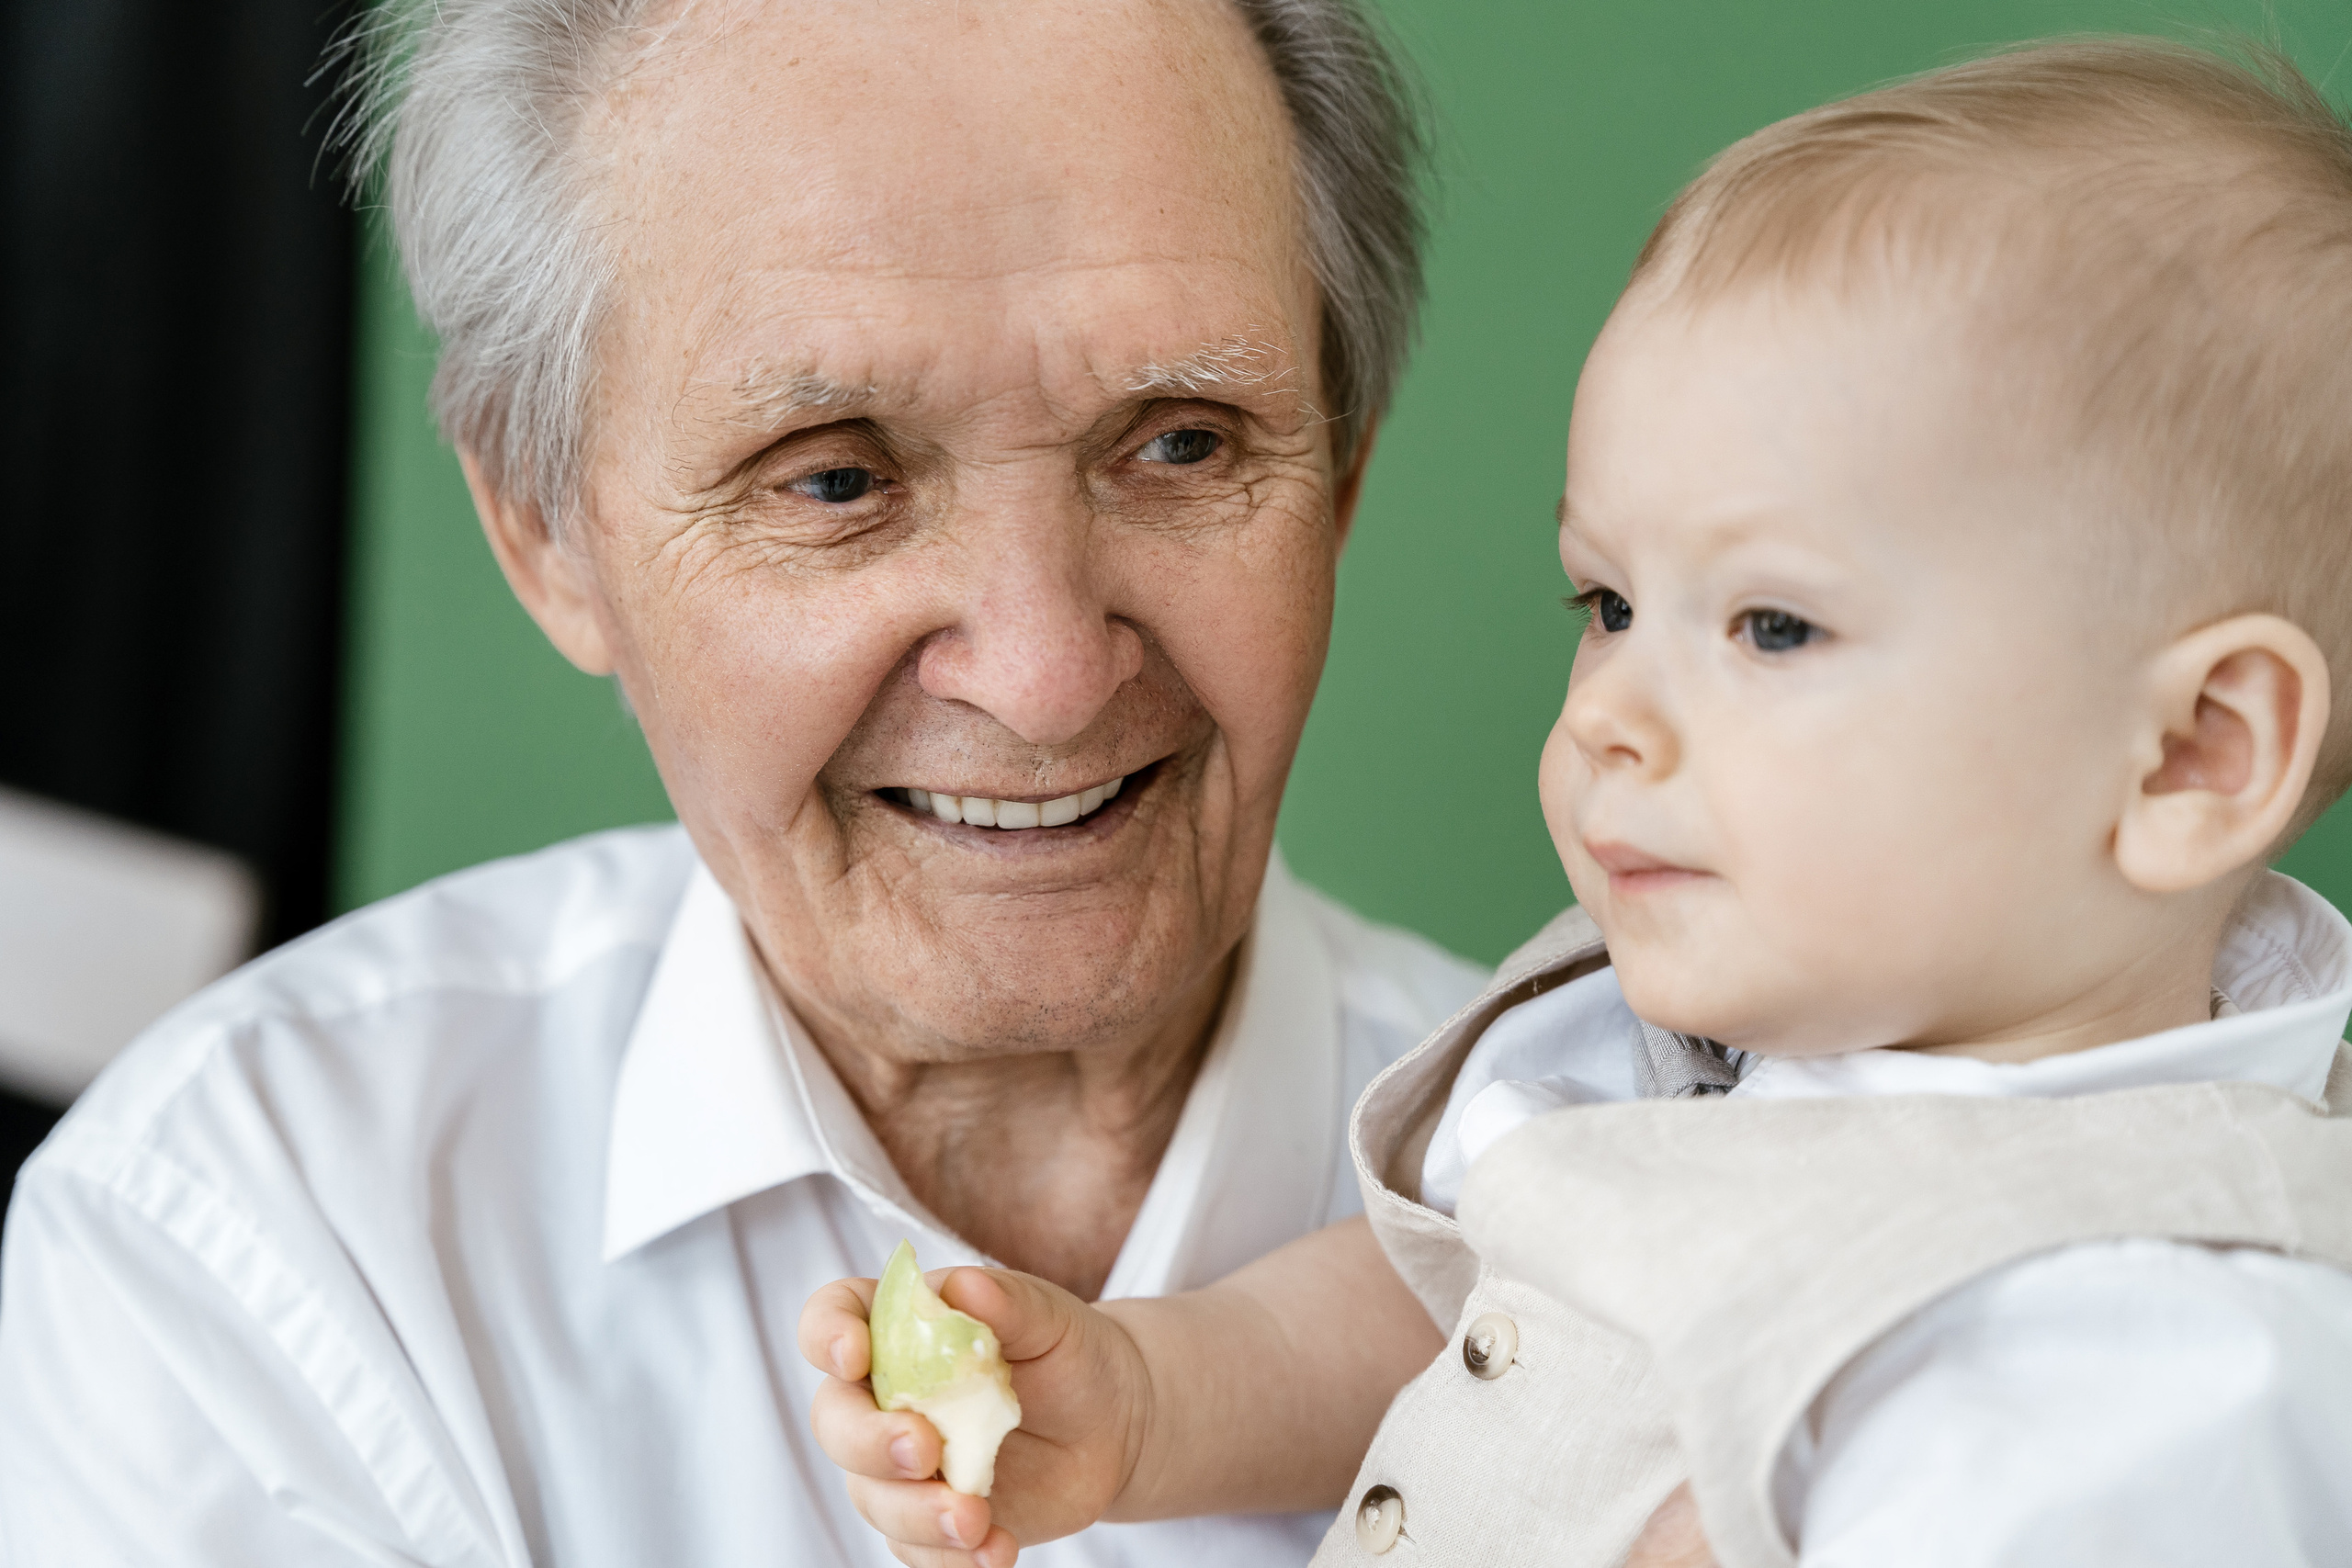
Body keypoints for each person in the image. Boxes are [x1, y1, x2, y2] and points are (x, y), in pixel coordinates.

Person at [801, 38, 2352, 1568]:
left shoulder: (2154, 1361)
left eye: (1772, 627)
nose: (1609, 714)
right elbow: (1466, 1309)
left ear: (2191, 756)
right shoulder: (1704, 1053)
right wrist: (1149, 1399)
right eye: (1607, 603)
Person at [0, 3, 1492, 1564]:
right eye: (836, 477)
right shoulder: (265, 1228)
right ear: (544, 534)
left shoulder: (1631, 1188)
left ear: (1340, 476)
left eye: (1181, 445)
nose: (1045, 674)